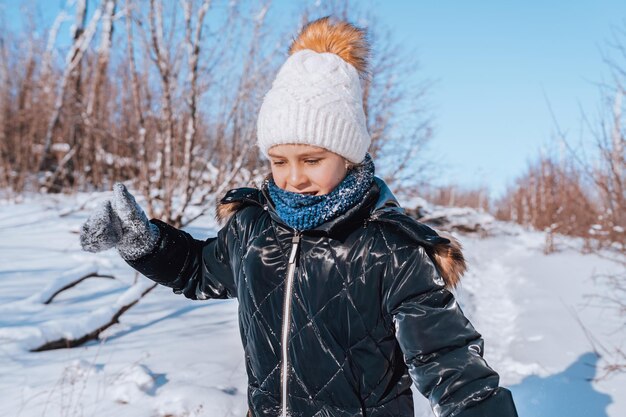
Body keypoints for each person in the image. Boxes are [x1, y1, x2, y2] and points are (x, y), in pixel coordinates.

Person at [80, 17, 518, 417]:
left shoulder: (391, 251)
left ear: (347, 156)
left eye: (311, 160)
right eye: (279, 161)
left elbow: (448, 359)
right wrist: (144, 243)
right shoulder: (253, 228)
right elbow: (200, 271)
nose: (293, 178)